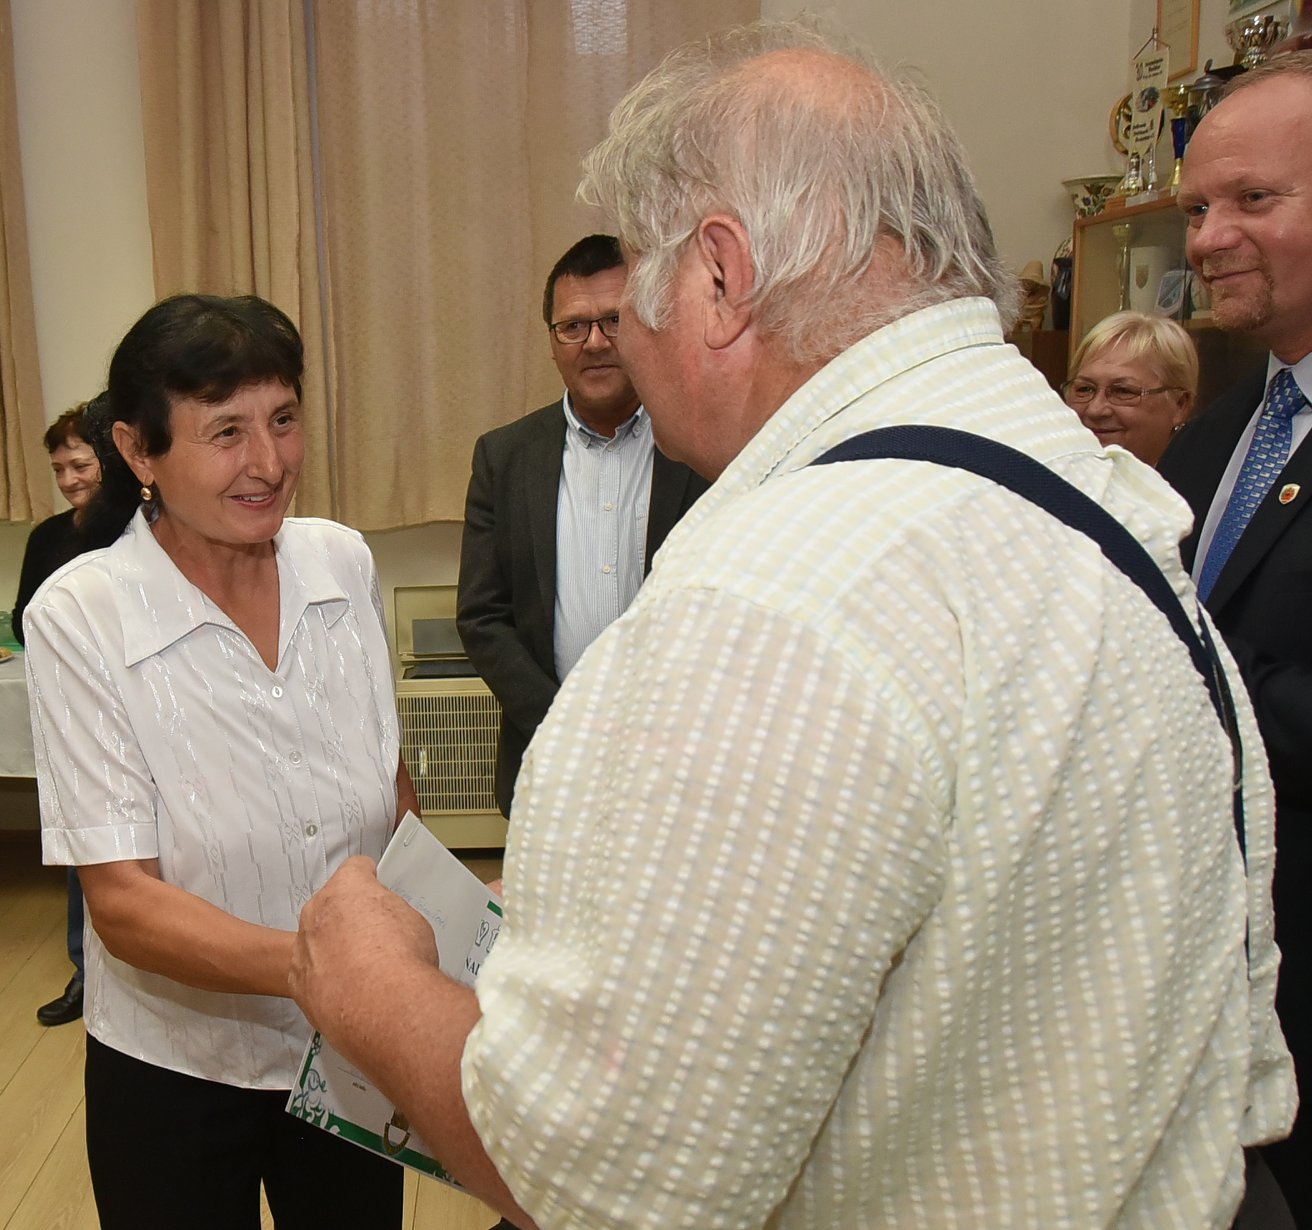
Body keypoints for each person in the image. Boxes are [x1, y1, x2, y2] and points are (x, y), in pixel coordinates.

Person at [289, 24, 1291, 1229]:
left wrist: (373, 985)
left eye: (638, 285)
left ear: (719, 275)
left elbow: (609, 1185)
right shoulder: (1081, 487)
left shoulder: (775, 595)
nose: (628, 340)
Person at [21, 294, 415, 1228]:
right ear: (139, 451)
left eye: (284, 419)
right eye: (226, 431)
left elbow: (391, 787)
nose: (269, 463)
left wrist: (437, 947)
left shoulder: (342, 563)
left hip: (351, 1052)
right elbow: (124, 901)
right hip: (177, 1070)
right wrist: (325, 969)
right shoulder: (81, 616)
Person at [1165, 49, 1312, 1222]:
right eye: (1196, 208)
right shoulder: (1218, 435)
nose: (1208, 239)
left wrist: (1177, 665)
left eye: (1252, 199)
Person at [457, 234, 709, 815]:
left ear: (648, 326)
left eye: (614, 320)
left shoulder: (704, 447)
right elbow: (482, 615)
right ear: (552, 342)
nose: (594, 342)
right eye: (573, 326)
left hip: (679, 763)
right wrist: (564, 723)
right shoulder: (505, 456)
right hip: (548, 759)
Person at [13, 399, 108, 1028]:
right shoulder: (47, 537)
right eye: (59, 470)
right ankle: (87, 971)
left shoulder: (141, 528)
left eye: (80, 465)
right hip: (74, 709)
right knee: (87, 840)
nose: (70, 480)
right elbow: (23, 620)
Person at [1063, 310, 1197, 466]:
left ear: (1180, 405)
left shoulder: (1205, 480)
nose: (1095, 410)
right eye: (1085, 389)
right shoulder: (1049, 476)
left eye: (1123, 391)